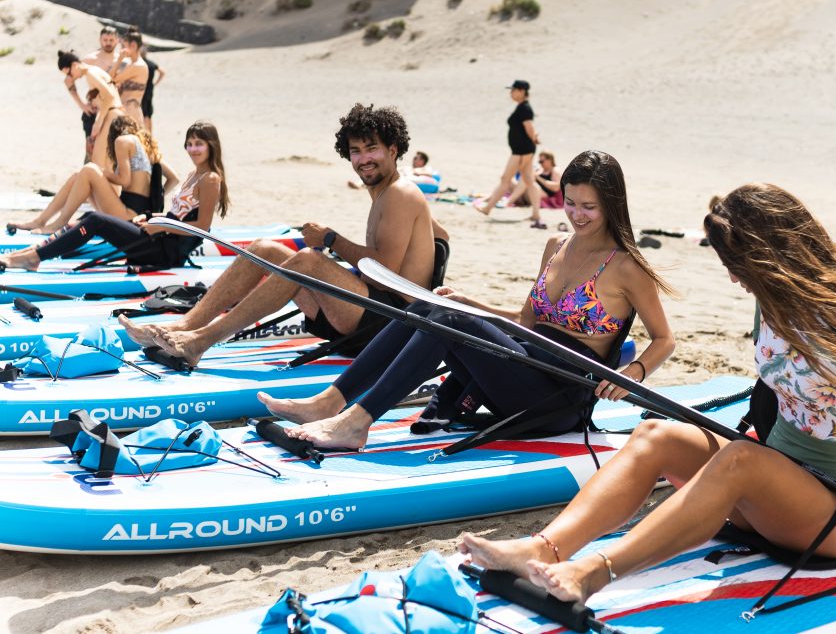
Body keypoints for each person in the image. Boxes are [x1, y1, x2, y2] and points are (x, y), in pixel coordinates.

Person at [457, 182, 836, 605]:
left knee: (741, 460)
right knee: (655, 436)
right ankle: (544, 548)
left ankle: (595, 572)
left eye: (736, 265)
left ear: (770, 253)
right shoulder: (773, 297)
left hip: (833, 516)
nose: (734, 279)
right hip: (766, 487)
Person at [260, 149, 675, 451]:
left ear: (611, 205)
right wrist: (468, 302)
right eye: (569, 202)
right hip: (521, 368)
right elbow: (525, 321)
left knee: (451, 320)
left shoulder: (627, 267)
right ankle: (331, 402)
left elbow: (664, 340)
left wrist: (634, 371)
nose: (576, 214)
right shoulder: (557, 245)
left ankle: (355, 424)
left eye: (590, 207)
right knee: (429, 306)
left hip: (558, 398)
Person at [119, 104, 447, 368]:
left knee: (308, 260)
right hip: (367, 309)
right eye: (356, 151)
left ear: (393, 149)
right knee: (264, 249)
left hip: (388, 323)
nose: (363, 159)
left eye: (371, 149)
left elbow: (385, 268)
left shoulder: (400, 193)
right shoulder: (392, 193)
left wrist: (331, 240)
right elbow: (439, 236)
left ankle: (200, 341)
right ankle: (184, 325)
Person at [1, 121, 226, 273]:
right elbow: (176, 215)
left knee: (96, 221)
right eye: (190, 143)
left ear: (211, 146)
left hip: (164, 251)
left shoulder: (211, 179)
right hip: (157, 236)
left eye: (199, 144)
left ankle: (34, 259)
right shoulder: (193, 175)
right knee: (90, 216)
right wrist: (150, 217)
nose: (193, 149)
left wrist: (159, 227)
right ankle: (30, 253)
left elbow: (202, 226)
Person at [7, 116, 176, 235]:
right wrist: (156, 198)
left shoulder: (122, 140)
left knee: (89, 170)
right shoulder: (148, 150)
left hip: (129, 216)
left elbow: (124, 180)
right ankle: (40, 221)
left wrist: (102, 172)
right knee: (78, 176)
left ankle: (58, 223)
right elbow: (174, 178)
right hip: (135, 212)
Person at [475, 80, 545, 228]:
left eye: (513, 90)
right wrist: (534, 138)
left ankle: (487, 208)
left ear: (521, 91)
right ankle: (536, 214)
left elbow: (529, 127)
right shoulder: (522, 107)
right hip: (523, 149)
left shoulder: (525, 108)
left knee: (505, 179)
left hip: (521, 150)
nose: (511, 93)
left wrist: (534, 138)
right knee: (528, 180)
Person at [58, 50, 124, 171]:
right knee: (104, 160)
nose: (70, 77)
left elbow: (109, 96)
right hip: (114, 114)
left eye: (70, 74)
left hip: (111, 114)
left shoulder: (91, 73)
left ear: (74, 65)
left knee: (98, 162)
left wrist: (98, 122)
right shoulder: (93, 71)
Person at [67, 26, 120, 153]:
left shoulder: (122, 60)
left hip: (113, 112)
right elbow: (68, 80)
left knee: (114, 152)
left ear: (117, 40)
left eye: (111, 40)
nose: (108, 43)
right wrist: (82, 105)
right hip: (94, 112)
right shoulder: (90, 60)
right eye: (105, 40)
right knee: (92, 151)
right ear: (100, 40)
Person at [112, 28, 149, 126]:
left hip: (131, 112)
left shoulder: (138, 65)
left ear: (133, 46)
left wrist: (119, 59)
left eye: (124, 46)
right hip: (125, 110)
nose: (121, 49)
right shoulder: (129, 63)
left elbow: (111, 79)